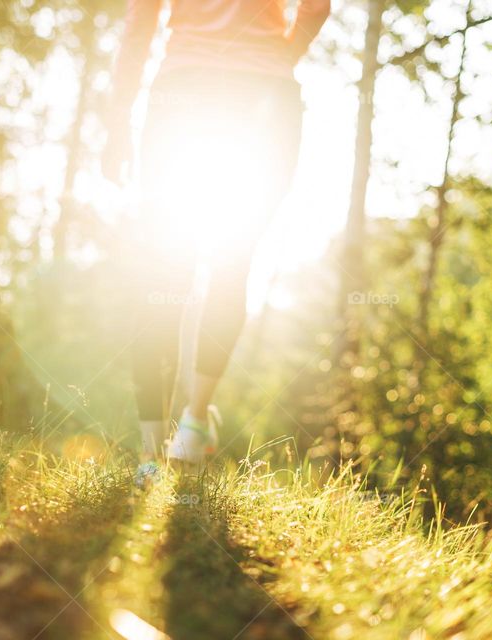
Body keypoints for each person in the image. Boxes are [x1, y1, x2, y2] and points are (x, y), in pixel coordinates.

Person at [102, 0, 331, 484]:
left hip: (184, 90)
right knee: (234, 259)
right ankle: (193, 421)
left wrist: (118, 117)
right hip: (265, 94)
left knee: (162, 270)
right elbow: (316, 5)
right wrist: (283, 53)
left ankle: (148, 453)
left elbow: (140, 21)